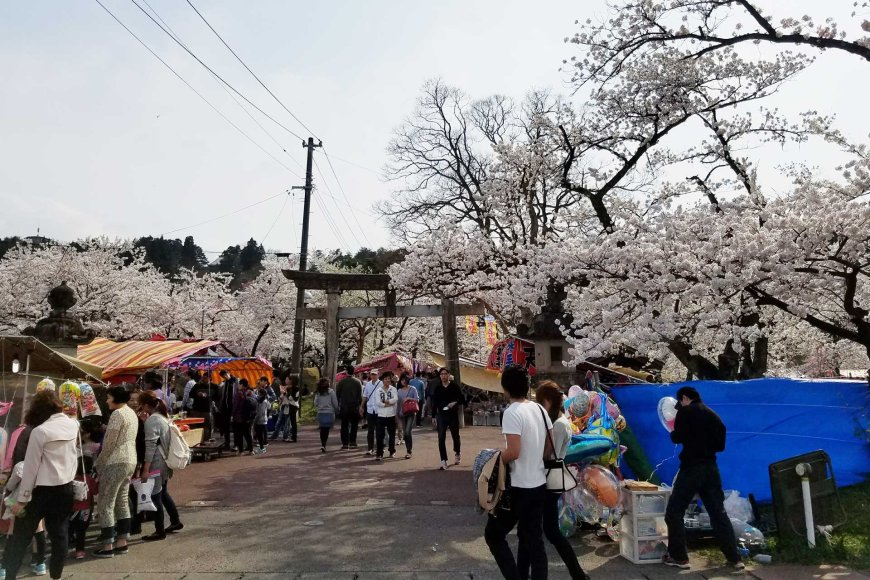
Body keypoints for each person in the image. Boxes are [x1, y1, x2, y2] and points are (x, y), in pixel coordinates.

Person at [662, 386, 743, 570]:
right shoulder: (714, 415)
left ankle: (679, 557)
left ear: (684, 398)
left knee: (674, 512)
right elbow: (720, 446)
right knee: (718, 513)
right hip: (711, 468)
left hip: (691, 467)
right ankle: (735, 558)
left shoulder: (686, 412)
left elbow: (677, 437)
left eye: (680, 402)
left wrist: (676, 430)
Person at [0, 391, 77, 580]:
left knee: (20, 538)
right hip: (65, 488)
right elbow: (74, 456)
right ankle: (56, 575)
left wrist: (22, 500)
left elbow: (30, 470)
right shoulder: (73, 424)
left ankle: (10, 575)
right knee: (59, 536)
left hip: (39, 492)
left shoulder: (40, 431)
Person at [484, 364, 552, 580]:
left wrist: (494, 460)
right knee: (532, 540)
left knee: (493, 535)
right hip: (539, 483)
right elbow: (549, 448)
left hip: (519, 487)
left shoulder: (512, 412)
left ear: (505, 387)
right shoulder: (540, 409)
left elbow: (513, 452)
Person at [531, 381, 590, 580]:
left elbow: (548, 455)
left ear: (547, 402)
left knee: (547, 532)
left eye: (540, 402)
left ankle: (576, 573)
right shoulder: (561, 421)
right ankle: (577, 574)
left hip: (549, 479)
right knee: (548, 531)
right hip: (552, 479)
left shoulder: (558, 425)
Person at [94, 386, 139, 558]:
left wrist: (100, 462)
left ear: (116, 399)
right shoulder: (131, 413)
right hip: (130, 459)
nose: (106, 401)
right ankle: (122, 542)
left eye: (109, 397)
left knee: (106, 503)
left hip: (115, 460)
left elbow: (110, 442)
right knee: (121, 500)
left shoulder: (117, 415)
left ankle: (107, 546)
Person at [137, 390, 184, 541]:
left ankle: (159, 530)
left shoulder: (153, 420)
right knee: (163, 493)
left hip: (157, 462)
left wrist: (145, 469)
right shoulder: (162, 417)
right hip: (165, 461)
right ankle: (175, 521)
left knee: (155, 495)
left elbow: (151, 446)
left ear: (145, 405)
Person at [432, 368, 464, 470]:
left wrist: (454, 403)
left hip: (452, 415)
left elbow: (462, 399)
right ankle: (443, 460)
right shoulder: (438, 388)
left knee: (455, 436)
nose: (443, 376)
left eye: (445, 374)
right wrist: (433, 416)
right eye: (441, 374)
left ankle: (457, 452)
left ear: (449, 375)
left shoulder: (454, 386)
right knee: (441, 437)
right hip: (441, 415)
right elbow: (434, 403)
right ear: (439, 376)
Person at [335, 365, 363, 450]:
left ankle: (345, 443)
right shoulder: (358, 382)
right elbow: (360, 395)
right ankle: (353, 442)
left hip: (344, 406)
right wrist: (360, 406)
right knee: (354, 425)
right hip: (354, 406)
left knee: (344, 425)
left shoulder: (342, 382)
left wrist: (339, 404)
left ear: (346, 371)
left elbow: (338, 394)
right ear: (354, 372)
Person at [374, 372, 398, 460]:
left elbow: (395, 399)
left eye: (389, 378)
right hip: (381, 415)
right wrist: (386, 404)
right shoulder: (378, 391)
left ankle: (392, 451)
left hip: (391, 415)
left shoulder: (393, 389)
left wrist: (386, 401)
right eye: (386, 379)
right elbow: (378, 402)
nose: (388, 380)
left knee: (392, 435)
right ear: (383, 380)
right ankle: (379, 453)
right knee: (380, 435)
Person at [396, 373, 420, 459]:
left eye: (405, 380)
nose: (403, 381)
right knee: (406, 433)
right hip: (402, 413)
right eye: (402, 380)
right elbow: (398, 404)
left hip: (411, 413)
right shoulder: (399, 391)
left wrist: (410, 398)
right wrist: (397, 414)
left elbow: (417, 399)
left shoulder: (412, 389)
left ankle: (409, 451)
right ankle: (408, 450)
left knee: (407, 432)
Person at [313, 379, 339, 453]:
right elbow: (335, 403)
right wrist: (337, 410)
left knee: (322, 429)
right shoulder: (331, 392)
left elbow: (315, 403)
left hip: (321, 412)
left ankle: (322, 444)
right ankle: (324, 444)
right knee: (326, 430)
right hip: (329, 412)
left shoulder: (318, 393)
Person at [232, 380, 257, 455]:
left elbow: (236, 405)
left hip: (239, 416)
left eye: (239, 384)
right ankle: (251, 450)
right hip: (248, 417)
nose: (238, 385)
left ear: (242, 385)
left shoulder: (239, 393)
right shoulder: (251, 392)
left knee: (239, 434)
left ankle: (241, 451)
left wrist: (232, 414)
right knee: (247, 434)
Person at [361, 370, 382, 455]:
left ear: (378, 375)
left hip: (379, 410)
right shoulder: (368, 384)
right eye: (372, 374)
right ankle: (370, 448)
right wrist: (361, 406)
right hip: (370, 409)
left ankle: (380, 447)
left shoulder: (381, 384)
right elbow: (365, 396)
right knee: (370, 430)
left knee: (379, 430)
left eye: (375, 375)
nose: (373, 376)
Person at [217, 370, 237, 451]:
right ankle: (227, 443)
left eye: (225, 375)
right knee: (226, 427)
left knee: (235, 427)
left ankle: (236, 444)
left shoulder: (235, 382)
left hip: (234, 408)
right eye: (223, 376)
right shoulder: (224, 383)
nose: (225, 377)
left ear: (228, 373)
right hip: (225, 408)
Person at [253, 388, 270, 455]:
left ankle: (262, 448)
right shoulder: (266, 400)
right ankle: (262, 447)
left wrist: (255, 420)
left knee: (260, 435)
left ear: (260, 394)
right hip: (264, 420)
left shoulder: (262, 401)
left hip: (260, 420)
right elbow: (269, 407)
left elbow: (260, 412)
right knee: (261, 434)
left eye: (258, 393)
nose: (257, 394)